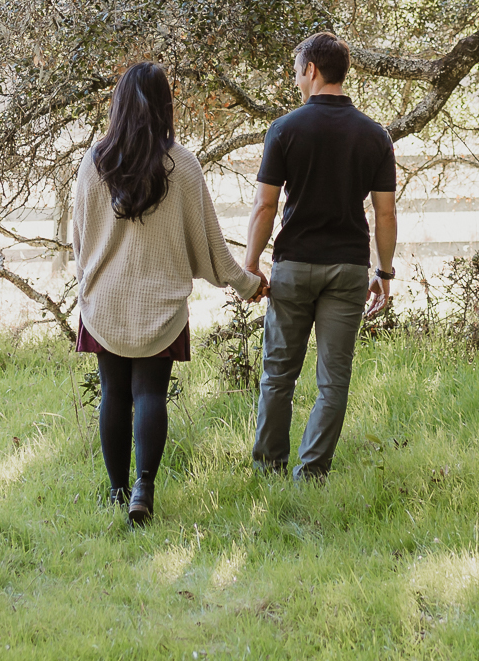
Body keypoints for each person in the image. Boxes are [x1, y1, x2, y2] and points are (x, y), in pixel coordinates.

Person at [71, 61, 264, 525]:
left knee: (112, 393)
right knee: (150, 394)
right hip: (160, 305)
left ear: (118, 105)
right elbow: (212, 247)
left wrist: (90, 282)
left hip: (106, 303)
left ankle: (116, 492)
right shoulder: (183, 166)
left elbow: (78, 238)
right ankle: (143, 489)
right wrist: (250, 284)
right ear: (165, 106)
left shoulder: (94, 162)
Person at [244, 31, 398, 480]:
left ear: (311, 70)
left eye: (297, 72)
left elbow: (265, 206)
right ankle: (311, 472)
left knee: (278, 376)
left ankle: (269, 468)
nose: (296, 82)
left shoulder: (285, 130)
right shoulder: (375, 135)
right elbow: (385, 213)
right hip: (349, 268)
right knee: (333, 381)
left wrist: (251, 267)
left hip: (293, 266)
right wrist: (384, 271)